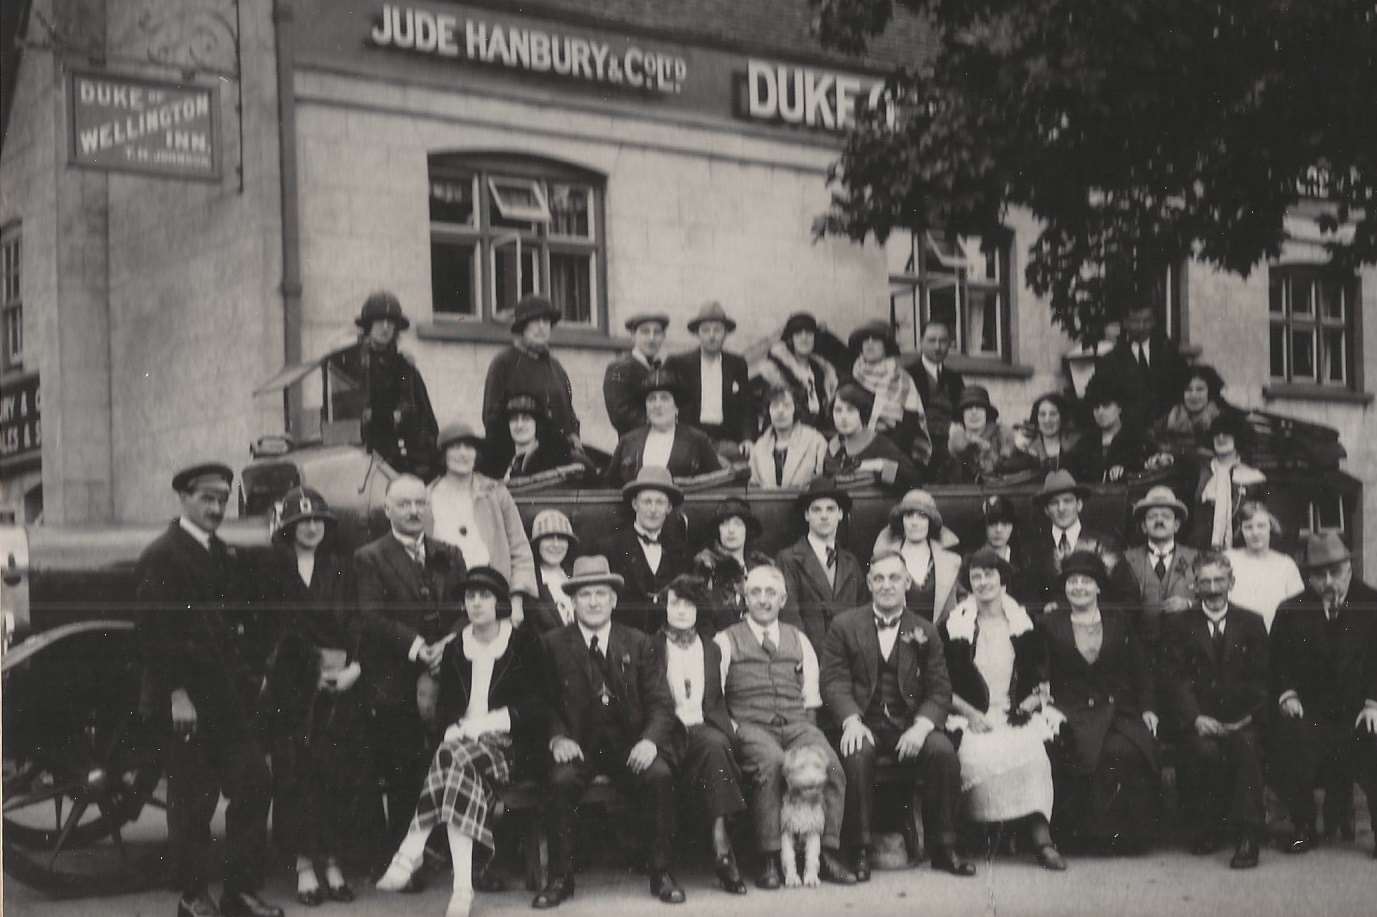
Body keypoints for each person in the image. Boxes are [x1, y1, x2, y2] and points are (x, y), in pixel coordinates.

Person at [135, 462, 282, 917]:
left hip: (229, 701)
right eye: (207, 499)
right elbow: (153, 634)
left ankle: (239, 893)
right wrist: (177, 694)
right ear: (183, 498)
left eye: (222, 499)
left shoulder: (225, 555)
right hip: (189, 703)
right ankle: (193, 898)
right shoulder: (163, 555)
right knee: (192, 803)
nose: (216, 508)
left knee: (254, 782)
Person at [376, 567, 541, 917]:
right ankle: (461, 891)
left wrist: (484, 724)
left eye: (485, 596)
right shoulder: (456, 648)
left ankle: (412, 847)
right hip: (463, 746)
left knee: (452, 759)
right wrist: (453, 726)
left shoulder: (523, 642)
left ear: (499, 602)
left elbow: (536, 705)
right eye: (470, 597)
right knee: (455, 766)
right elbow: (448, 708)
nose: (476, 603)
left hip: (508, 744)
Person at [532, 556, 684, 908]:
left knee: (659, 775)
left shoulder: (639, 642)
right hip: (578, 745)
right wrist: (557, 737)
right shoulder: (552, 644)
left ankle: (661, 872)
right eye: (585, 594)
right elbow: (541, 702)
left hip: (629, 745)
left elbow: (662, 703)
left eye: (602, 593)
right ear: (573, 600)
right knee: (560, 781)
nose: (594, 601)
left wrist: (648, 741)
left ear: (614, 599)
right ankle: (560, 878)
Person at [822, 550, 977, 880]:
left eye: (894, 578)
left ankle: (945, 847)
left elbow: (939, 690)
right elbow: (834, 681)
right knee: (855, 751)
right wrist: (850, 720)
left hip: (910, 723)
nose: (886, 585)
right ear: (869, 583)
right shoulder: (844, 626)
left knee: (943, 752)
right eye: (879, 578)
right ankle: (859, 850)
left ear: (907, 582)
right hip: (865, 721)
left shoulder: (925, 630)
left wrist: (921, 728)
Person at [715, 565, 858, 888]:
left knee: (830, 764)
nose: (763, 600)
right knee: (773, 763)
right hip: (750, 725)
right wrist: (736, 730)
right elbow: (716, 697)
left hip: (795, 722)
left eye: (770, 593)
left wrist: (808, 740)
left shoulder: (799, 639)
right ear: (744, 598)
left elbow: (810, 699)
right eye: (755, 593)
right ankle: (769, 856)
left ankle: (827, 852)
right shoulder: (725, 640)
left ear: (783, 599)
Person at [258, 488, 367, 907]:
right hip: (294, 689)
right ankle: (304, 863)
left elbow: (358, 623)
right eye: (302, 521)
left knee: (336, 774)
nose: (311, 527)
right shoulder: (272, 571)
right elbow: (270, 633)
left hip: (340, 685)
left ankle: (333, 860)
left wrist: (355, 668)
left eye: (318, 520)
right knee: (294, 775)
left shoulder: (342, 569)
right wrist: (304, 673)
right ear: (288, 528)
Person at [355, 475, 468, 865]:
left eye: (420, 502)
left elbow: (465, 609)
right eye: (404, 504)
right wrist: (418, 647)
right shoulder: (370, 557)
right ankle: (405, 856)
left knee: (449, 760)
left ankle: (447, 848)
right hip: (395, 678)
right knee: (403, 768)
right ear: (387, 509)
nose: (414, 510)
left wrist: (447, 644)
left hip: (447, 671)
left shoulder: (449, 554)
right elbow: (371, 617)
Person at [940, 549, 1065, 871]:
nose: (983, 583)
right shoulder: (955, 626)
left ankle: (1042, 841)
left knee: (1032, 751)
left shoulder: (1024, 624)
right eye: (976, 577)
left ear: (1003, 579)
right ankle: (980, 832)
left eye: (989, 575)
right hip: (970, 714)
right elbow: (940, 683)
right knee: (975, 754)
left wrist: (1030, 702)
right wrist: (969, 715)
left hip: (1013, 711)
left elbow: (1042, 677)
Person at [1041, 551, 1160, 853]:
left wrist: (1147, 709)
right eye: (1072, 581)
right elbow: (1040, 671)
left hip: (1118, 709)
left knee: (1125, 751)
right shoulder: (1049, 622)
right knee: (1077, 753)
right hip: (1070, 710)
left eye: (1086, 581)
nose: (1078, 587)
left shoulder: (1118, 621)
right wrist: (1046, 706)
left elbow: (1141, 669)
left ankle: (1125, 838)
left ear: (1098, 587)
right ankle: (1081, 839)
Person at [1268, 532, 1377, 857]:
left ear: (1349, 568)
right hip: (1311, 709)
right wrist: (1287, 694)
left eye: (1335, 571)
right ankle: (1303, 826)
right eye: (1319, 575)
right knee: (1290, 736)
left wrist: (1374, 702)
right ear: (1309, 577)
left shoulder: (1372, 603)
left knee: (1375, 737)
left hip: (1360, 707)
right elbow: (1277, 662)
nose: (1328, 581)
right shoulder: (1290, 609)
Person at [1161, 553, 1269, 869]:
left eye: (1219, 580)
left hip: (1243, 717)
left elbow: (1263, 677)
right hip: (1199, 719)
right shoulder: (1179, 625)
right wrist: (1195, 717)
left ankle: (1249, 836)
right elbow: (1174, 678)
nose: (1212, 588)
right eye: (1205, 581)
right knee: (1203, 751)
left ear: (1231, 583)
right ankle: (1208, 827)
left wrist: (1247, 718)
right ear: (1195, 586)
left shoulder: (1251, 621)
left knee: (1247, 747)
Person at [651, 574, 750, 894]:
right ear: (665, 608)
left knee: (718, 744)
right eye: (675, 604)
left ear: (698, 610)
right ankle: (662, 869)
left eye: (689, 605)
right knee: (662, 771)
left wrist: (726, 725)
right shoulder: (649, 646)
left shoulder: (711, 649)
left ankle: (722, 848)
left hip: (701, 727)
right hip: (666, 730)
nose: (681, 611)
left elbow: (715, 700)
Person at [428, 422, 537, 625]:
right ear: (443, 455)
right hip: (447, 607)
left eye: (469, 447)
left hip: (494, 599)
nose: (463, 454)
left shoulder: (496, 493)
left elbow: (520, 550)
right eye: (455, 447)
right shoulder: (427, 497)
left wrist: (516, 602)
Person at [331, 291, 439, 477]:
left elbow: (422, 416)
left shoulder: (404, 365)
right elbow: (343, 413)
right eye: (379, 321)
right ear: (368, 325)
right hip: (362, 454)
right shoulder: (350, 364)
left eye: (391, 322)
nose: (386, 327)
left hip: (401, 456)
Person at [481, 294, 582, 455]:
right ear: (522, 327)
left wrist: (574, 440)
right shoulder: (504, 363)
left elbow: (569, 415)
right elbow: (491, 419)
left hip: (560, 457)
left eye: (546, 321)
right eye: (535, 321)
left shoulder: (556, 367)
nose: (541, 327)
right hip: (520, 456)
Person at [776, 477, 867, 653]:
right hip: (810, 656)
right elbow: (790, 617)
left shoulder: (851, 562)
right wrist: (806, 656)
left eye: (830, 509)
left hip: (849, 658)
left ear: (840, 514)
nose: (824, 516)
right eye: (816, 510)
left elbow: (863, 613)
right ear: (806, 515)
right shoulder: (788, 559)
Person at [1025, 470, 1138, 611]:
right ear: (1046, 510)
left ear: (1079, 505)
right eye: (1054, 503)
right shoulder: (1034, 549)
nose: (1061, 508)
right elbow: (1027, 599)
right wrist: (1044, 610)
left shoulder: (1104, 545)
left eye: (1067, 501)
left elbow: (1128, 596)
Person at [601, 466, 693, 633]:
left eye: (660, 502)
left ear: (669, 507)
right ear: (635, 504)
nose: (653, 509)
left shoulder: (681, 551)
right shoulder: (610, 548)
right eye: (647, 501)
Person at [603, 368, 723, 487]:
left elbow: (717, 483)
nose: (657, 405)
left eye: (664, 398)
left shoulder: (697, 440)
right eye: (651, 399)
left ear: (676, 407)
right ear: (646, 407)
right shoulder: (628, 441)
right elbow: (609, 485)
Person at [664, 301, 754, 456]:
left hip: (727, 440)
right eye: (705, 330)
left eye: (717, 330)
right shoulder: (678, 363)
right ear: (697, 333)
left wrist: (748, 439)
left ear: (725, 333)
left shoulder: (737, 364)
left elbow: (747, 407)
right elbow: (665, 401)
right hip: (689, 439)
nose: (712, 336)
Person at [1122, 486, 1199, 653]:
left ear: (1176, 525)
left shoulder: (1196, 558)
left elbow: (1212, 599)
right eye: (1152, 517)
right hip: (1139, 651)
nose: (1159, 520)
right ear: (1143, 526)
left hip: (1185, 650)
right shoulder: (1126, 559)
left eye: (1166, 516)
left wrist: (1188, 604)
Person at [871, 489, 963, 623]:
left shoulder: (951, 561)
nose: (914, 522)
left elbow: (962, 604)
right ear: (901, 520)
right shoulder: (884, 559)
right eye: (909, 515)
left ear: (930, 521)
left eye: (922, 516)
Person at [846, 321, 931, 466]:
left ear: (886, 347)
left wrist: (882, 446)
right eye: (865, 340)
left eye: (876, 340)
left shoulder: (902, 379)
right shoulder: (852, 377)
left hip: (892, 446)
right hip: (854, 444)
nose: (870, 343)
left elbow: (911, 424)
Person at [1094, 300, 1190, 427]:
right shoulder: (1111, 360)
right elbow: (1098, 398)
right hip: (1128, 432)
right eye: (1135, 321)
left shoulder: (1169, 353)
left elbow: (1185, 386)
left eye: (1147, 321)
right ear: (1125, 323)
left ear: (1154, 322)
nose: (1141, 327)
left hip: (1167, 429)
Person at [693, 497, 774, 633]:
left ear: (747, 530)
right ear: (718, 530)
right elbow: (703, 617)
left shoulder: (762, 567)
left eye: (737, 524)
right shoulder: (706, 566)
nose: (731, 530)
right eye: (724, 524)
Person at [824, 382, 921, 491]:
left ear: (862, 412)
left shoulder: (880, 444)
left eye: (850, 410)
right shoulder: (833, 446)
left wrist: (879, 465)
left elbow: (913, 480)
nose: (843, 417)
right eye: (838, 410)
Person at [1190, 412, 1266, 551]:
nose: (1220, 437)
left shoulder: (1255, 478)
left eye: (1227, 433)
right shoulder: (1198, 473)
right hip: (1201, 550)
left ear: (1238, 437)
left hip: (1242, 551)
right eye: (1216, 434)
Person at [1224, 501, 1303, 631]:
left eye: (1261, 526)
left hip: (1276, 635)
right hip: (1238, 636)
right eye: (1248, 527)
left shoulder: (1285, 564)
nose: (1255, 532)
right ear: (1241, 530)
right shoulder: (1229, 559)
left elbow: (1297, 607)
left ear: (1270, 527)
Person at [757, 311, 840, 432]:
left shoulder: (822, 372)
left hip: (820, 433)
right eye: (798, 333)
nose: (804, 338)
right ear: (791, 339)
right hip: (787, 433)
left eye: (809, 333)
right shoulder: (776, 373)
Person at [1068, 372, 1153, 484]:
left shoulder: (1138, 439)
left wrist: (1126, 470)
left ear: (1120, 407)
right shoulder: (1084, 443)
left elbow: (1149, 467)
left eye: (1106, 405)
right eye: (1096, 407)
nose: (1100, 412)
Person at [489, 393, 590, 483]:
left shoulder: (552, 461)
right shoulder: (503, 463)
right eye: (514, 419)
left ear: (537, 424)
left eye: (526, 419)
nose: (519, 425)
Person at [905, 320, 965, 473]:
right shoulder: (907, 375)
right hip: (917, 447)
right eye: (932, 340)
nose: (938, 347)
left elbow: (961, 413)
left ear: (950, 344)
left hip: (950, 448)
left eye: (943, 341)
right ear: (920, 342)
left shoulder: (955, 378)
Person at [748, 383, 828, 489]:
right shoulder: (759, 446)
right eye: (775, 406)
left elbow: (822, 480)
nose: (780, 411)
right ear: (768, 411)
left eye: (786, 405)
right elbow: (754, 486)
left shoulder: (815, 441)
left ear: (796, 409)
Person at [604, 312, 670, 435]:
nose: (651, 338)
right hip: (634, 444)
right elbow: (620, 416)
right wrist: (662, 423)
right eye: (645, 332)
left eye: (657, 332)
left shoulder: (660, 368)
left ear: (663, 336)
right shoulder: (619, 368)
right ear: (633, 336)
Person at [944, 385, 1021, 483]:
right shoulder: (952, 445)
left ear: (986, 413)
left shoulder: (1002, 439)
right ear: (962, 414)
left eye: (979, 407)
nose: (974, 412)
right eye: (968, 408)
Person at [1153, 364, 1232, 459]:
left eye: (1200, 389)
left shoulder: (1223, 420)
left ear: (1210, 391)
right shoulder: (1167, 420)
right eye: (1188, 390)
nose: (1194, 395)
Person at [975, 494, 1035, 607]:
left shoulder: (1023, 561)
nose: (999, 530)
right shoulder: (973, 561)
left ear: (1012, 527)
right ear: (984, 526)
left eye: (1005, 523)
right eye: (992, 523)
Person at [526, 509, 579, 634]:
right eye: (548, 537)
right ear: (537, 543)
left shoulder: (575, 575)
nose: (555, 544)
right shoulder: (529, 581)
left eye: (561, 538)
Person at [1011, 391, 1081, 474]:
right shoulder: (1025, 449)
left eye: (1053, 414)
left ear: (1062, 417)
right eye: (1042, 414)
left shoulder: (1077, 447)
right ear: (1036, 418)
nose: (1047, 420)